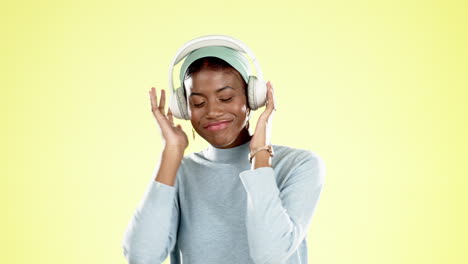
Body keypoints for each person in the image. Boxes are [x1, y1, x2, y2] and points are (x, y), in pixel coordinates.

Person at [122, 44, 326, 264]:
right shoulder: (179, 173)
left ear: (252, 98)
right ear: (183, 108)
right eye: (198, 103)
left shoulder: (299, 165)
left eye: (226, 98)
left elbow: (270, 255)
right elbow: (141, 257)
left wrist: (260, 155)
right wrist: (171, 152)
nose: (212, 112)